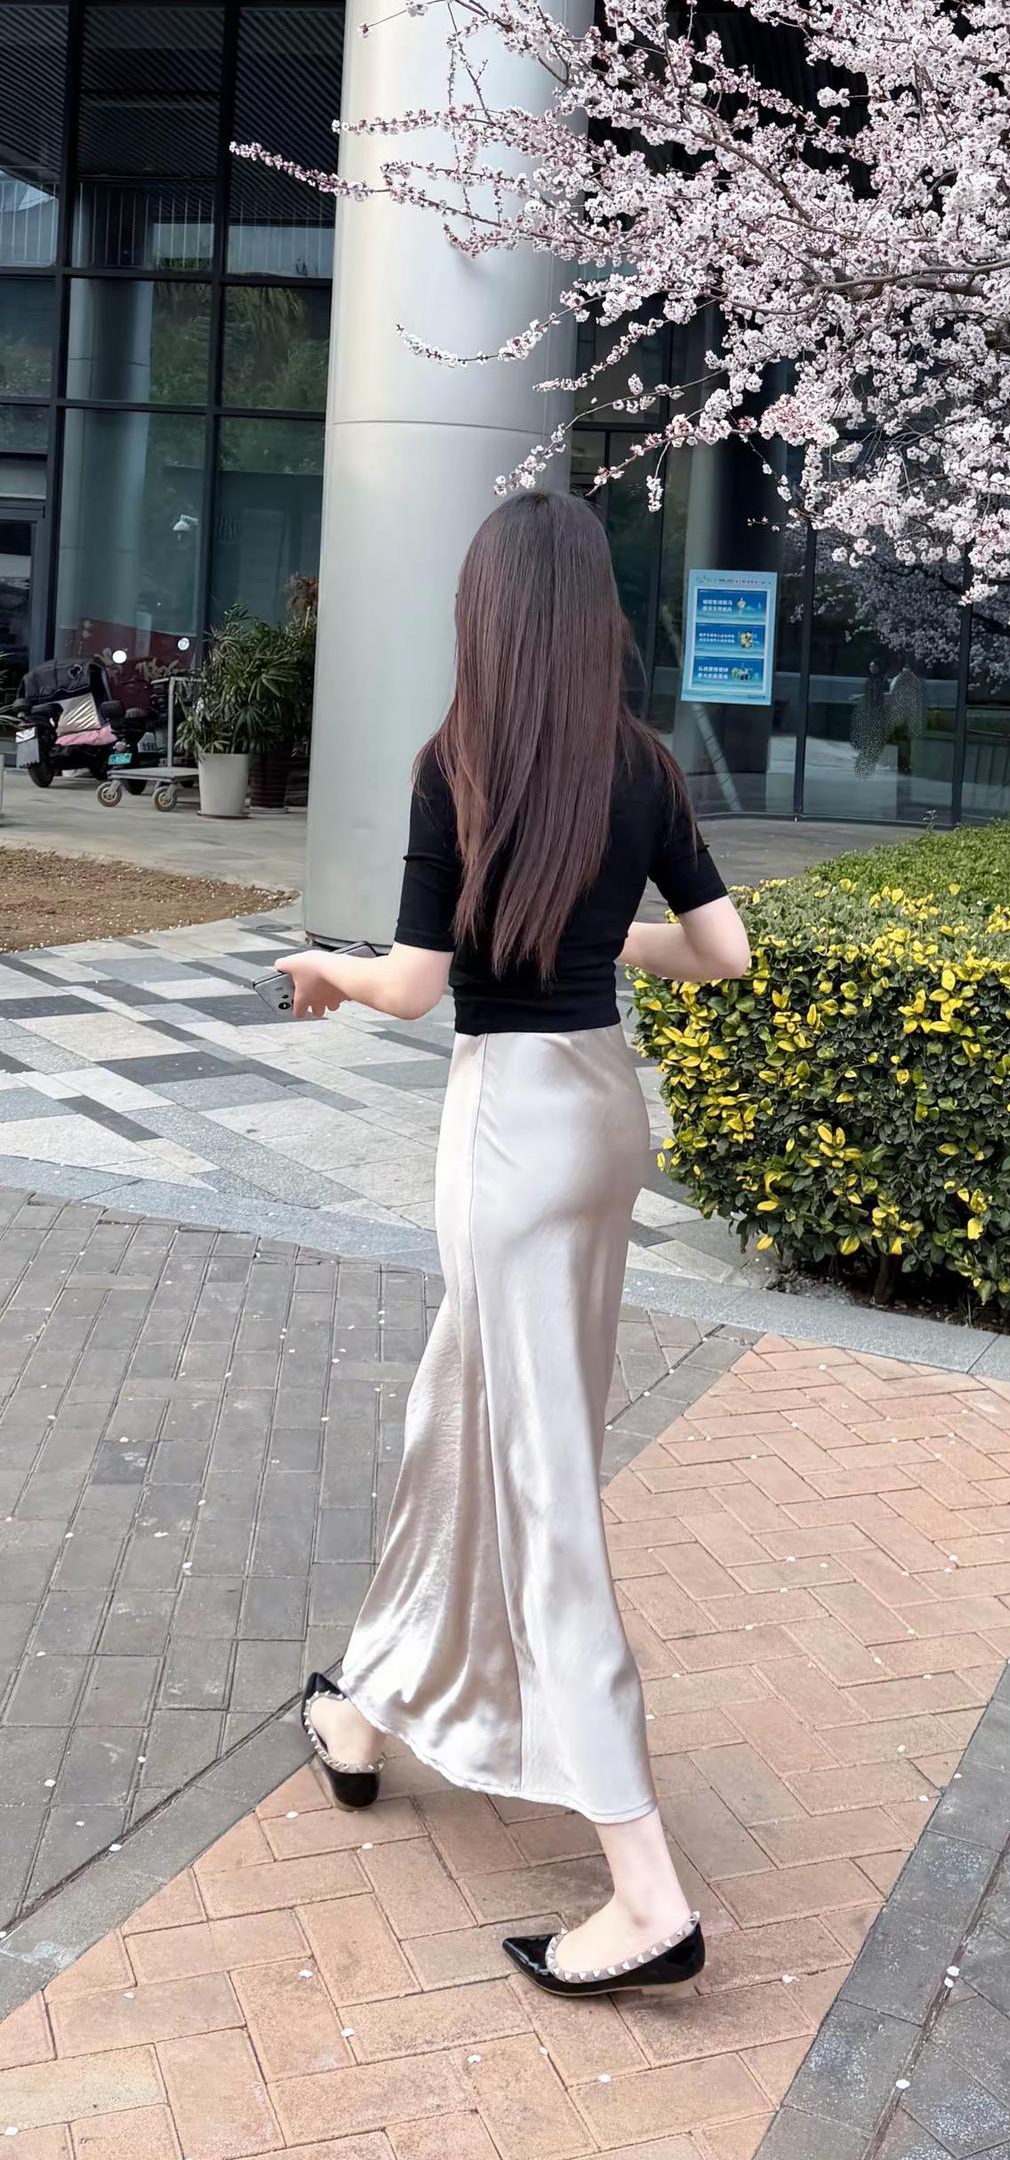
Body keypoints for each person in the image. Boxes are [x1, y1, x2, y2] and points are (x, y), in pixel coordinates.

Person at [275, 491, 751, 2002]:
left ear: (485, 616)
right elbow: (724, 952)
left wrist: (324, 971)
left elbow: (417, 986)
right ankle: (366, 1709)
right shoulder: (643, 764)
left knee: (538, 1480)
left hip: (510, 1132)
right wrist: (605, 935)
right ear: (594, 616)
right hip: (604, 1114)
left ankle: (647, 1892)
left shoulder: (457, 767)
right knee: (463, 1420)